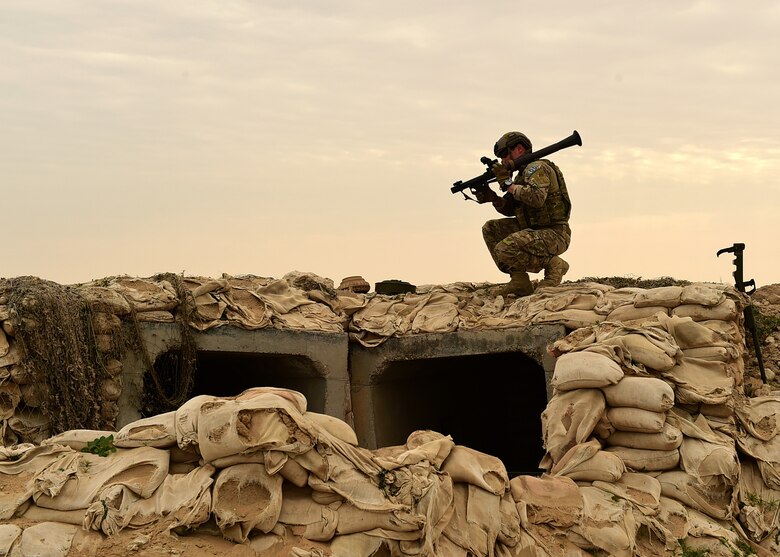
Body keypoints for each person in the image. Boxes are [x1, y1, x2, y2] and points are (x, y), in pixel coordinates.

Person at [475, 131, 572, 297]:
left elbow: (536, 198)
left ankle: (554, 265)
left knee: (505, 248)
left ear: (519, 149)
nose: (503, 161)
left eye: (505, 154)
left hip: (555, 233)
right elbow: (512, 209)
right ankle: (519, 280)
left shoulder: (537, 168)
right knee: (491, 229)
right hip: (533, 231)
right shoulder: (521, 175)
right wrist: (493, 198)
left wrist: (507, 184)